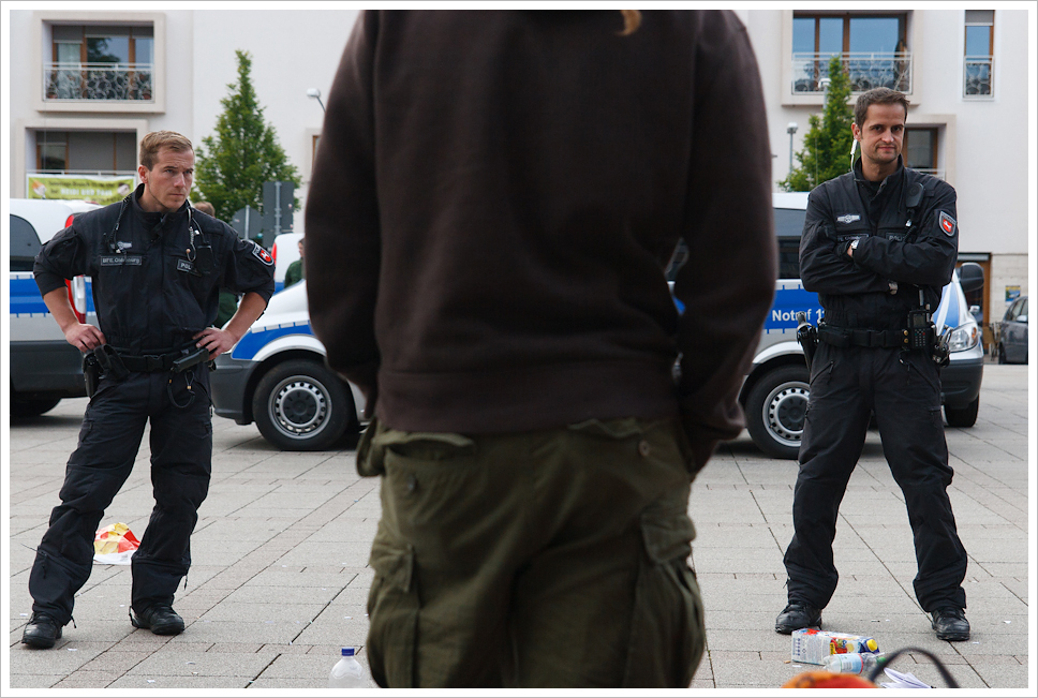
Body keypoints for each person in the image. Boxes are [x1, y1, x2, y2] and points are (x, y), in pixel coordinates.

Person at [305, 10, 776, 688]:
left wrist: (403, 392)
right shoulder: (695, 24)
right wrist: (690, 424)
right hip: (617, 440)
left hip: (443, 438)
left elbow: (338, 239)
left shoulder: (402, 21)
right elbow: (737, 263)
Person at [22, 131, 275, 649]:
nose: (181, 182)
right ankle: (48, 610)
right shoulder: (98, 228)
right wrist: (70, 325)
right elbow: (46, 267)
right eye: (170, 172)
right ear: (143, 173)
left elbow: (261, 282)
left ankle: (154, 600)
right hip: (119, 379)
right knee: (85, 495)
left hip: (185, 382)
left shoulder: (211, 234)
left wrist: (231, 333)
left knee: (181, 496)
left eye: (188, 173)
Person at [776, 88, 970, 642]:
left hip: (906, 359)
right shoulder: (825, 197)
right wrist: (892, 271)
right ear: (857, 132)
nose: (889, 138)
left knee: (927, 484)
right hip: (838, 361)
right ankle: (804, 599)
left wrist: (859, 250)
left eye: (898, 128)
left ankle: (945, 603)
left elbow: (935, 265)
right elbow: (816, 271)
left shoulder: (933, 195)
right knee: (816, 481)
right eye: (879, 128)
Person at [193, 200, 240, 327]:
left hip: (196, 299)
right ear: (213, 216)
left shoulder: (188, 237)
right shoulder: (225, 237)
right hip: (224, 297)